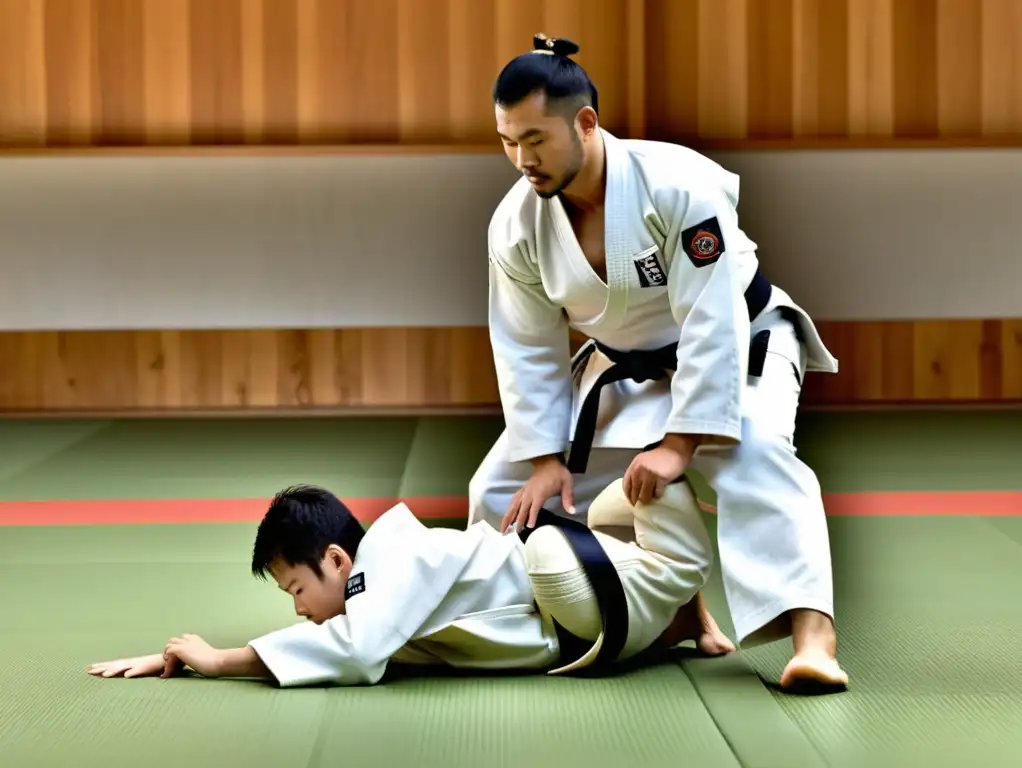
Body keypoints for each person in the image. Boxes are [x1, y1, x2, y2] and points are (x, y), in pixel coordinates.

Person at [468, 34, 848, 691]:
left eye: (536, 139)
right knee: (499, 492)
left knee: (754, 453)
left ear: (585, 123)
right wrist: (543, 457)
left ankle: (815, 638)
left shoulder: (677, 184)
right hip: (627, 367)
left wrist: (679, 443)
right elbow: (526, 344)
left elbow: (713, 316)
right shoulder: (516, 226)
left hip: (741, 345)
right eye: (508, 141)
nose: (521, 159)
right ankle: (576, 616)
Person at [86, 481, 734, 686]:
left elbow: (354, 648)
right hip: (583, 629)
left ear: (339, 561)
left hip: (573, 575)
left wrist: (219, 659)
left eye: (295, 590)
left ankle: (665, 508)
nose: (299, 607)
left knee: (566, 571)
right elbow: (345, 632)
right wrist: (177, 654)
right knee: (593, 621)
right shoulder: (373, 590)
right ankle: (682, 616)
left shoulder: (395, 562)